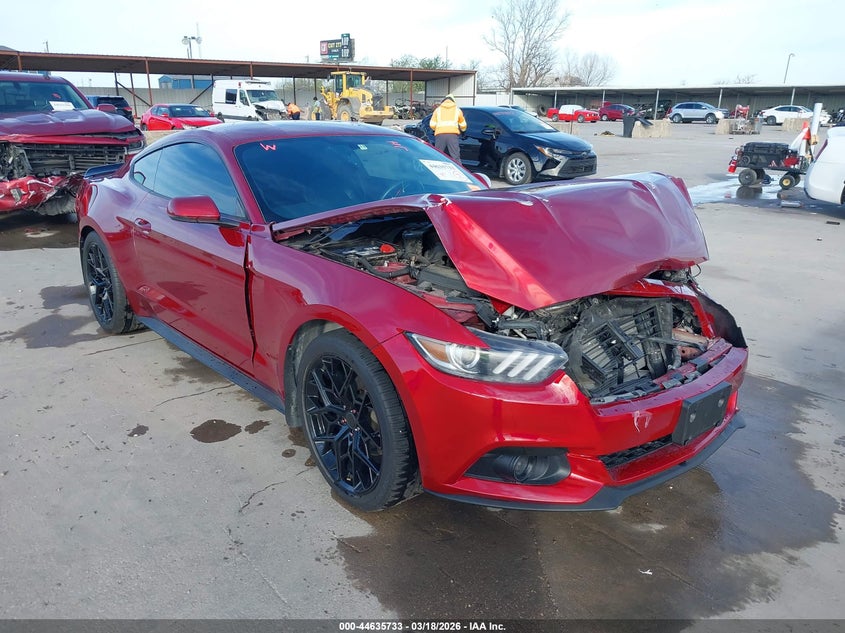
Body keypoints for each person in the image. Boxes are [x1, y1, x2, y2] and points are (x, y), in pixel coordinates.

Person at [429, 94, 466, 163]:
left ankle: (437, 169)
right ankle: (457, 169)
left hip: (440, 135)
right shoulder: (457, 110)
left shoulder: (438, 110)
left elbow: (432, 124)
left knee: (438, 155)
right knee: (455, 156)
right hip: (453, 135)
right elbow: (463, 125)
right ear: (453, 101)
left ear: (444, 100)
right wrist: (463, 131)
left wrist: (436, 129)